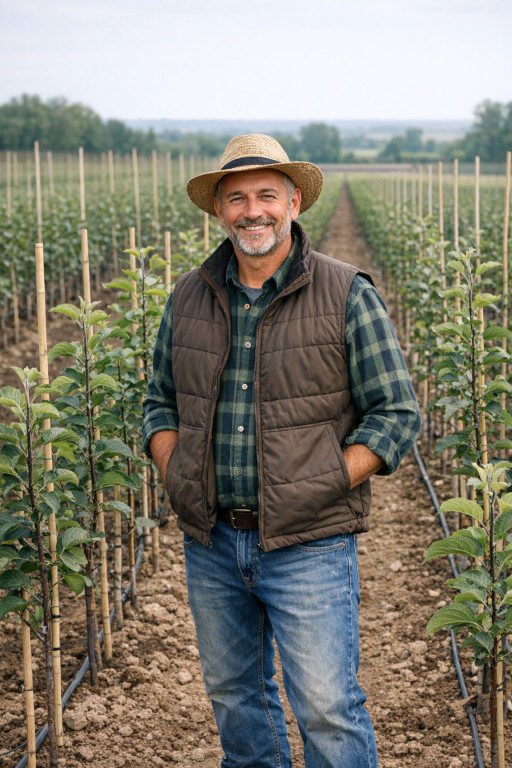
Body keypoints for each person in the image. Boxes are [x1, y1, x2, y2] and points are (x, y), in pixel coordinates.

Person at [142, 133, 422, 768]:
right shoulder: (188, 297)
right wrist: (177, 468)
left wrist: (325, 478)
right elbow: (159, 401)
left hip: (310, 544)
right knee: (237, 699)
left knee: (327, 710)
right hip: (212, 541)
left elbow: (396, 414)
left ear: (295, 202)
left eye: (267, 195)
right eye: (236, 198)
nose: (252, 211)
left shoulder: (345, 292)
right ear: (219, 212)